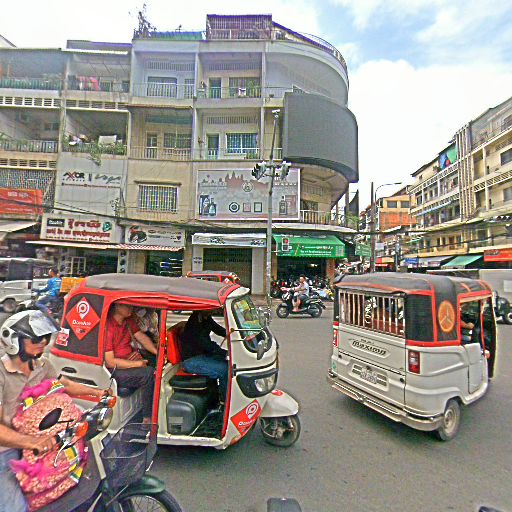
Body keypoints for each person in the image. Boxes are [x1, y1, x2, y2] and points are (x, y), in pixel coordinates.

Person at [0, 309, 110, 512]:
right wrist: (31, 442)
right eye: (36, 338)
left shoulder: (42, 365)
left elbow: (63, 385)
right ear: (14, 341)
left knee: (73, 479)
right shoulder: (2, 373)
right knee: (16, 508)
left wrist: (98, 393)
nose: (43, 342)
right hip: (7, 451)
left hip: (41, 442)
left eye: (45, 337)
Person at [104, 303, 157, 423]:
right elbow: (110, 362)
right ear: (117, 307)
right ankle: (147, 418)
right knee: (148, 373)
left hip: (127, 363)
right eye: (127, 306)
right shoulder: (108, 327)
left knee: (154, 363)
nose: (131, 308)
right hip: (112, 371)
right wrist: (136, 364)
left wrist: (157, 352)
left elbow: (141, 337)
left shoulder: (128, 321)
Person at [180, 310, 228, 402]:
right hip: (191, 360)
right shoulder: (195, 321)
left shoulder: (205, 317)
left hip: (203, 355)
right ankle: (225, 401)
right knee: (224, 369)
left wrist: (232, 335)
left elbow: (217, 329)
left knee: (228, 364)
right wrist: (223, 352)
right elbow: (204, 343)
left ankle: (220, 395)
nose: (213, 310)